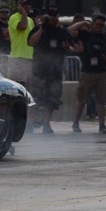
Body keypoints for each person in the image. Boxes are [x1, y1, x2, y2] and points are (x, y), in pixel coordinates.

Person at [69, 13, 106, 134]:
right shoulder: (86, 34)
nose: (99, 27)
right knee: (82, 98)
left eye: (102, 25)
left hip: (102, 72)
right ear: (93, 23)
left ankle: (102, 125)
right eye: (97, 24)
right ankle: (75, 122)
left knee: (101, 100)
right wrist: (83, 23)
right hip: (87, 71)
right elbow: (70, 30)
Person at [28, 7, 71, 135]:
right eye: (49, 15)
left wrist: (67, 47)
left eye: (54, 15)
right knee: (35, 98)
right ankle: (29, 123)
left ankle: (46, 124)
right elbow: (31, 42)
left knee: (51, 100)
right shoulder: (38, 29)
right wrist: (41, 28)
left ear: (58, 16)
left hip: (55, 71)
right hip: (39, 71)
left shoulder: (61, 31)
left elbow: (69, 47)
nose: (52, 17)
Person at [6, 0, 35, 89]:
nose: (28, 6)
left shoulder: (30, 20)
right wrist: (24, 13)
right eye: (25, 4)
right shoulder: (13, 17)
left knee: (28, 88)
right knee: (17, 88)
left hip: (29, 58)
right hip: (17, 58)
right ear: (20, 6)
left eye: (29, 3)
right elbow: (23, 26)